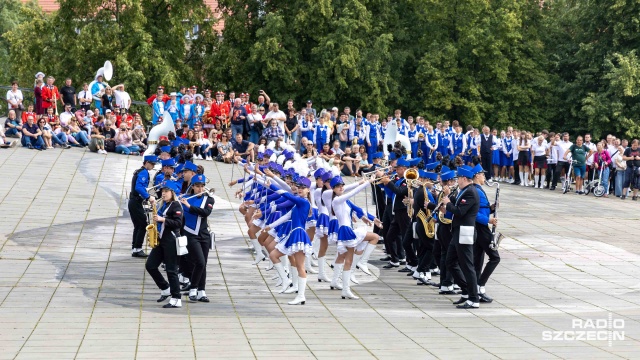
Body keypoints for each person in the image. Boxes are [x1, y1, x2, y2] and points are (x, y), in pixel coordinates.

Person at [441, 165, 480, 309]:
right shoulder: (464, 190)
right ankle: (465, 290)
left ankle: (473, 298)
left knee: (467, 265)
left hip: (465, 233)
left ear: (464, 178)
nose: (457, 181)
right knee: (450, 262)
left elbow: (460, 211)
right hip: (458, 232)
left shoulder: (470, 192)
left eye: (458, 179)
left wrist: (449, 204)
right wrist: (447, 208)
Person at [145, 180, 184, 308]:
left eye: (166, 191)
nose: (163, 194)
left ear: (172, 193)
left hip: (171, 240)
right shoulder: (164, 205)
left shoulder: (176, 205)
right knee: (150, 265)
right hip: (161, 240)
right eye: (162, 191)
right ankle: (165, 288)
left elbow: (178, 223)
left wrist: (163, 219)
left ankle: (176, 298)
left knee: (171, 270)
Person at [180, 174, 214, 302]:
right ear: (192, 187)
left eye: (202, 186)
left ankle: (201, 291)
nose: (200, 189)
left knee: (203, 264)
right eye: (198, 186)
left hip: (204, 235)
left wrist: (189, 207)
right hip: (190, 234)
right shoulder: (185, 199)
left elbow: (205, 213)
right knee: (199, 262)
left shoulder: (209, 200)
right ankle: (193, 288)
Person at [470, 164, 499, 303]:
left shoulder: (478, 189)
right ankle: (480, 285)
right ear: (477, 175)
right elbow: (474, 213)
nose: (484, 177)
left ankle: (476, 289)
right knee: (495, 257)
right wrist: (489, 219)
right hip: (481, 228)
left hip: (479, 227)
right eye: (482, 174)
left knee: (478, 260)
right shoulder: (476, 190)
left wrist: (491, 208)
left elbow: (482, 208)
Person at [129, 156, 158, 257]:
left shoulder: (140, 171)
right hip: (136, 201)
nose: (153, 166)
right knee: (142, 224)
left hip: (134, 201)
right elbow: (139, 187)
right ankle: (137, 248)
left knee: (138, 225)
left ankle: (135, 248)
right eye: (152, 164)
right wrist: (148, 197)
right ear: (146, 162)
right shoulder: (144, 172)